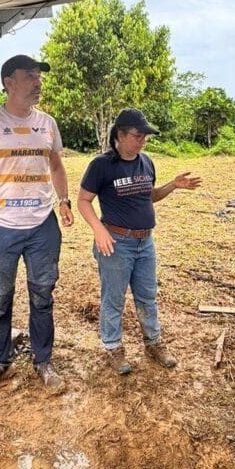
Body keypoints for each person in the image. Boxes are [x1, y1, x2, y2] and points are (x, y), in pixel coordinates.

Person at [0, 54, 73, 394]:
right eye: (30, 75)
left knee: (42, 294)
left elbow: (56, 166)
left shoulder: (48, 124)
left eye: (39, 75)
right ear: (9, 82)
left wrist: (64, 201)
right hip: (1, 228)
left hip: (42, 227)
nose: (38, 82)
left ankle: (43, 362)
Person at [77, 108, 201, 375]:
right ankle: (113, 348)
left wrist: (173, 185)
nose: (142, 140)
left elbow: (149, 196)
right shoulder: (102, 165)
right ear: (119, 135)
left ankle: (153, 343)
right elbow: (83, 200)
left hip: (145, 243)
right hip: (116, 242)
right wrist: (98, 230)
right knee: (114, 298)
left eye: (145, 136)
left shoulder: (146, 162)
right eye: (137, 135)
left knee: (147, 296)